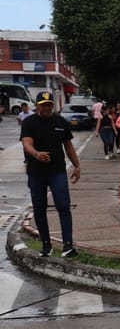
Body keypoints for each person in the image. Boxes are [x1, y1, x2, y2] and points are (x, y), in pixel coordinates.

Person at [19, 91, 82, 258]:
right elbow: (26, 143)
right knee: (39, 208)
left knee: (63, 205)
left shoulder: (60, 121)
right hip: (36, 172)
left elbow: (68, 145)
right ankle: (46, 244)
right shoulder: (29, 122)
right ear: (36, 106)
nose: (46, 108)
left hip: (57, 171)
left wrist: (77, 166)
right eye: (43, 105)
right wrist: (36, 154)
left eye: (49, 105)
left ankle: (68, 245)